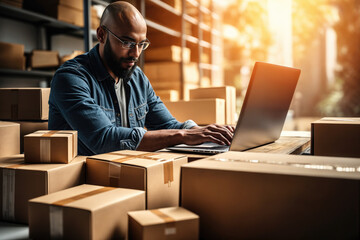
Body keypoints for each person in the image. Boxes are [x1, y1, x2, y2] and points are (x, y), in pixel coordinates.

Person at [49, 1, 234, 156]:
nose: (135, 53)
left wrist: (205, 132)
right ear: (101, 35)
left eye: (141, 44)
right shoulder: (71, 78)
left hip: (125, 173)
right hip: (79, 183)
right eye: (127, 42)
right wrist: (183, 135)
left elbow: (168, 125)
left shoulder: (137, 78)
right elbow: (102, 139)